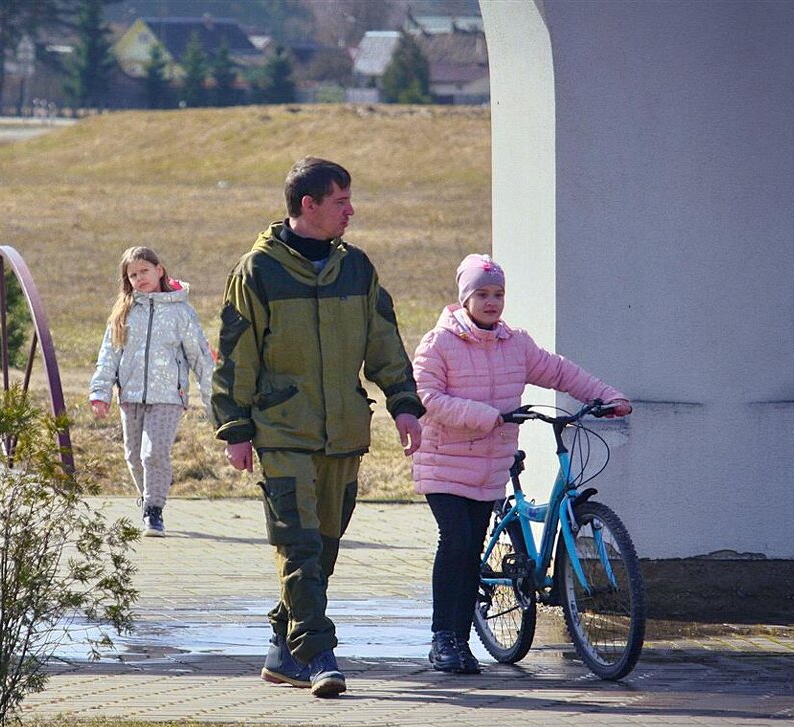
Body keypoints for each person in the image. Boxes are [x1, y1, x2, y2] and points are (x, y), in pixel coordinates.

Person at [212, 157, 425, 698]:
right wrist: (236, 427)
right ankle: (320, 654)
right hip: (281, 430)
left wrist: (403, 402)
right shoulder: (257, 271)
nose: (351, 211)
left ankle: (282, 654)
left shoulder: (357, 269)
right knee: (299, 545)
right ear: (309, 205)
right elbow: (236, 357)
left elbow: (383, 342)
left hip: (344, 434)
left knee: (321, 551)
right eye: (341, 201)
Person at [411, 253, 632, 674]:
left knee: (472, 549)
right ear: (465, 297)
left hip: (490, 464)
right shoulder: (438, 343)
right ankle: (445, 639)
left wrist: (607, 396)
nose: (492, 302)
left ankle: (462, 641)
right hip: (444, 464)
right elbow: (428, 399)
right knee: (456, 542)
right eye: (482, 294)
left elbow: (560, 372)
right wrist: (487, 415)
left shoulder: (517, 344)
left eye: (498, 294)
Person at [90, 246, 213, 537]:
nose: (139, 278)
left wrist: (213, 402)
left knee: (153, 453)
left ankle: (154, 511)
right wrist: (100, 392)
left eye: (144, 271)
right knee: (133, 456)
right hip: (130, 396)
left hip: (169, 397)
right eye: (132, 275)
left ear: (159, 270)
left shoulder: (180, 312)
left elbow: (200, 358)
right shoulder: (124, 312)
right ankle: (148, 499)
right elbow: (109, 355)